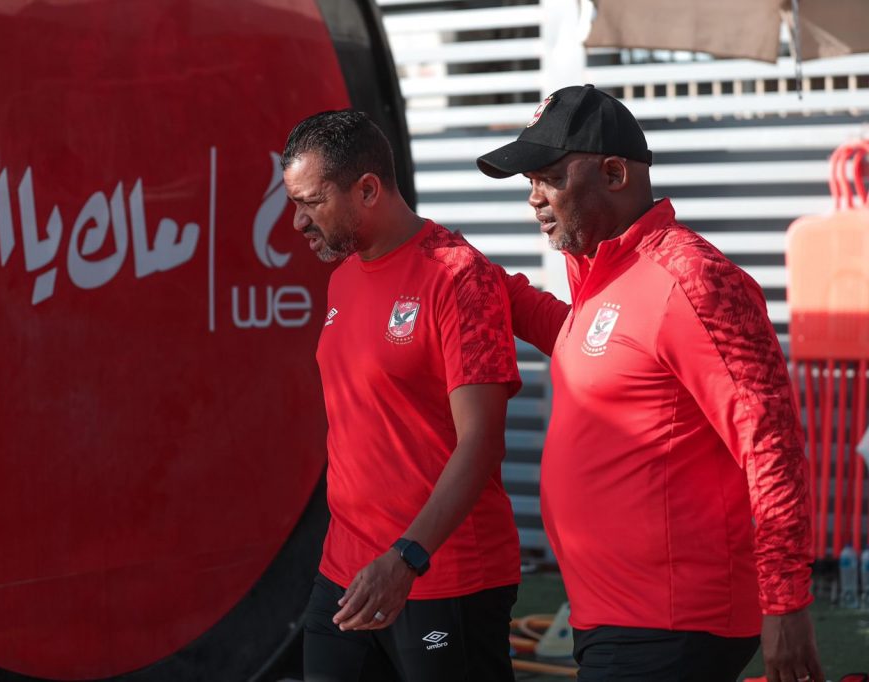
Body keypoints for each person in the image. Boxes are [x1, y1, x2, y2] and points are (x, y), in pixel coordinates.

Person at [477, 84, 823, 682]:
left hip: (671, 624)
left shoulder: (692, 278)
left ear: (614, 174)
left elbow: (772, 443)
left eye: (549, 177)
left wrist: (786, 603)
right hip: (615, 617)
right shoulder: (602, 272)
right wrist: (459, 267)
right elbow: (597, 350)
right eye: (528, 180)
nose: (533, 198)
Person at [281, 109, 532, 682]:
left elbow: (483, 441)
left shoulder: (457, 276)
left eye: (311, 202)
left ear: (367, 188)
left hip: (440, 573)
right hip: (346, 571)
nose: (297, 222)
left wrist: (407, 557)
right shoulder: (342, 277)